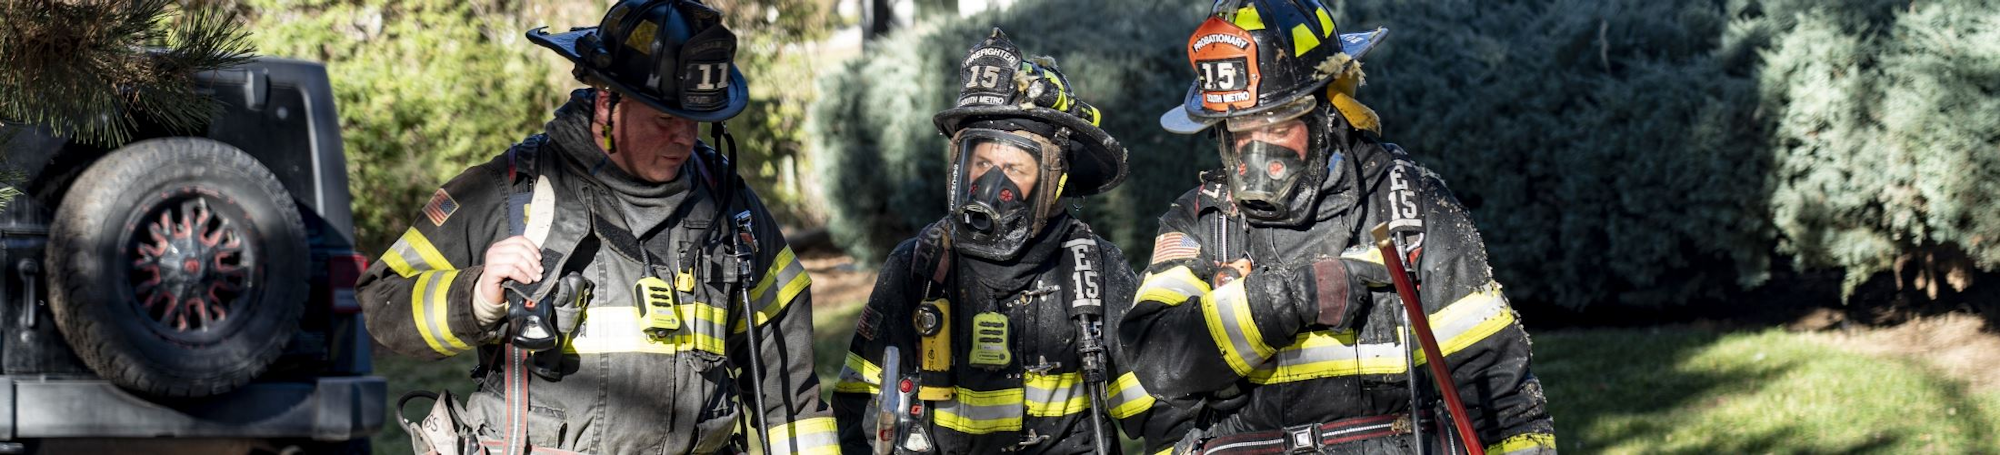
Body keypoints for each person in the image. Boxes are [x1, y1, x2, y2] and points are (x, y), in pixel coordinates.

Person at [355, 1, 837, 453]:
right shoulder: (509, 191)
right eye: (666, 118)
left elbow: (791, 396)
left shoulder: (729, 208)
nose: (684, 138)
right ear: (608, 105)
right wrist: (477, 298)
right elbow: (382, 300)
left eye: (695, 120)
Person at [1122, 0, 1557, 454]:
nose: (1256, 151)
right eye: (1239, 129)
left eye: (1275, 123)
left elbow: (1495, 383)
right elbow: (1157, 359)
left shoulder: (1408, 205)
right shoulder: (1202, 221)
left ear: (1329, 113)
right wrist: (1288, 300)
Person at [831, 29, 1184, 455]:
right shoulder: (917, 269)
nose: (992, 185)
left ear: (1053, 183)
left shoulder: (1093, 271)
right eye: (981, 162)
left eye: (1015, 167)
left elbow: (1164, 419)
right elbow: (857, 416)